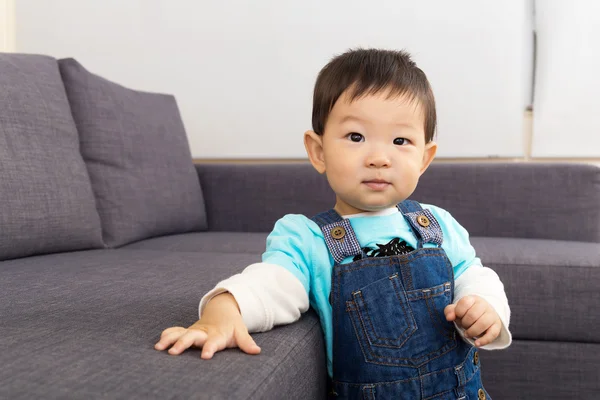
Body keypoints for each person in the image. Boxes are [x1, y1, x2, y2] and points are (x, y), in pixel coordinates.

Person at [155, 48, 511, 399]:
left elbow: (473, 274)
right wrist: (224, 309)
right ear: (319, 151)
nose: (378, 158)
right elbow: (272, 282)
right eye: (356, 137)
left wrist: (484, 307)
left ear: (424, 158)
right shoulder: (307, 238)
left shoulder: (437, 224)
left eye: (400, 141)